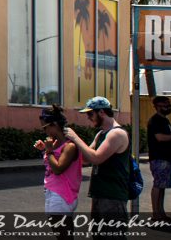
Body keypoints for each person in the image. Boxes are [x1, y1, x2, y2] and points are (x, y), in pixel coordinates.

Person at [64, 96, 129, 236]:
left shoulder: (117, 134)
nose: (88, 117)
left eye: (90, 113)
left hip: (113, 196)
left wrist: (75, 138)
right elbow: (86, 159)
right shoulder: (101, 134)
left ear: (101, 112)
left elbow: (96, 158)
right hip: (100, 194)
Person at [33, 104, 82, 236]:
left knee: (63, 234)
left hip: (62, 196)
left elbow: (58, 168)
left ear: (54, 124)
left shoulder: (69, 146)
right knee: (60, 233)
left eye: (45, 127)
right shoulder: (55, 143)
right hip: (52, 192)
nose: (44, 131)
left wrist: (48, 152)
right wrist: (46, 149)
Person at [147, 95, 171, 221]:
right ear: (158, 107)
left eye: (169, 105)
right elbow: (159, 137)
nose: (168, 107)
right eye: (165, 106)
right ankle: (156, 214)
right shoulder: (155, 121)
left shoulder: (165, 120)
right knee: (158, 185)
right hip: (159, 157)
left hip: (167, 157)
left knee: (162, 186)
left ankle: (161, 212)